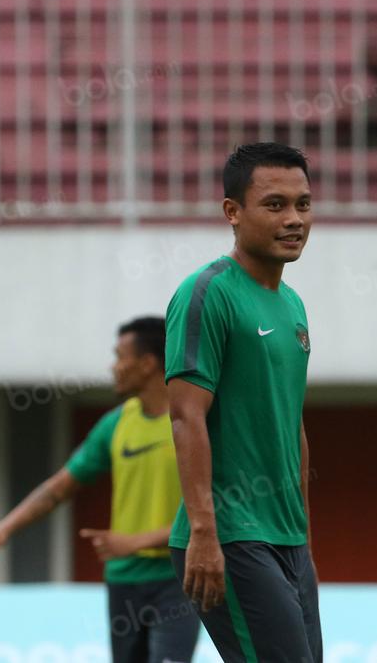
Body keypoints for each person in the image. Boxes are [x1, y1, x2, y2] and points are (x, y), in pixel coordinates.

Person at [0, 316, 199, 663]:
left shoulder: (194, 421)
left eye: (120, 356)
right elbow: (59, 487)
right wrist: (5, 527)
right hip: (123, 580)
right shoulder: (116, 423)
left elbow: (215, 509)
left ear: (148, 364)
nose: (113, 367)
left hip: (179, 578)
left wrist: (136, 541)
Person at [165, 142, 321, 662]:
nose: (294, 218)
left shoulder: (292, 304)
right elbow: (187, 416)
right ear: (232, 212)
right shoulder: (207, 294)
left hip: (287, 540)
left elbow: (292, 424)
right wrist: (204, 535)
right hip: (231, 536)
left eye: (303, 204)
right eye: (275, 205)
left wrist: (301, 536)